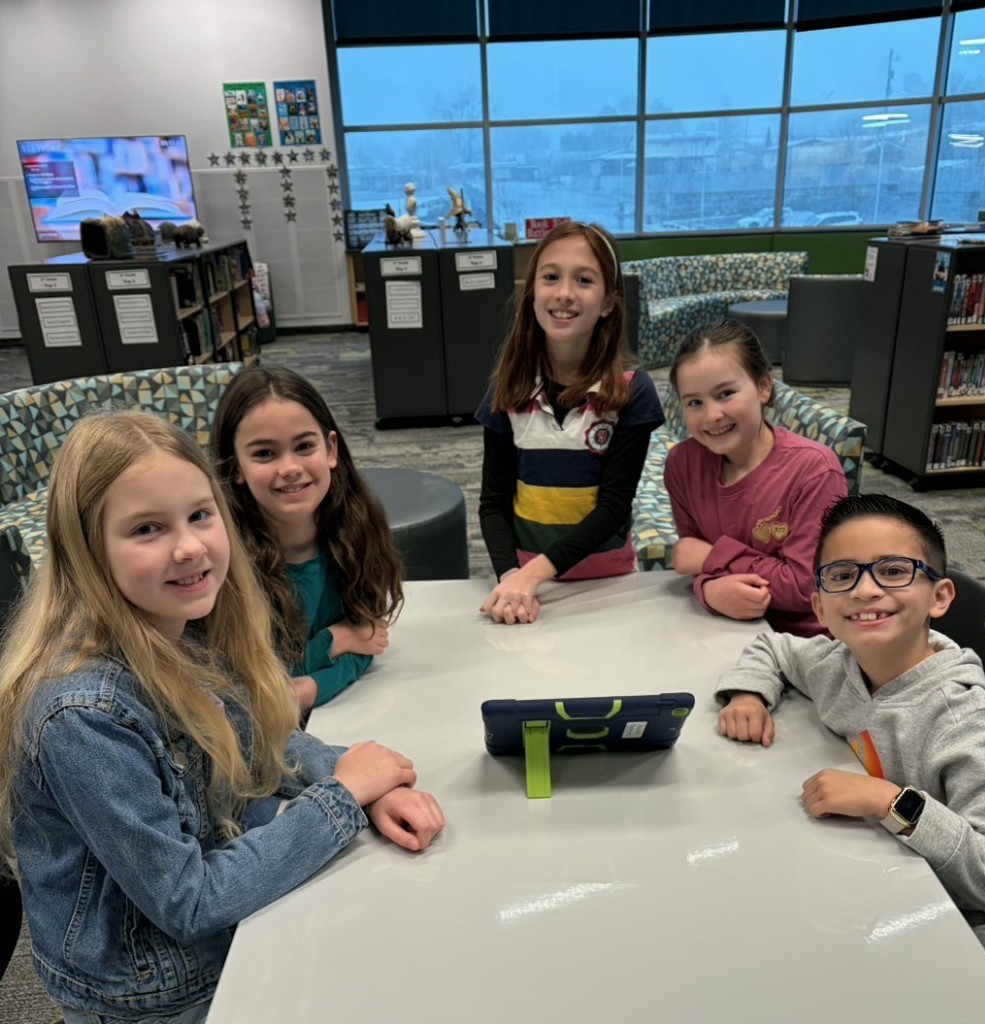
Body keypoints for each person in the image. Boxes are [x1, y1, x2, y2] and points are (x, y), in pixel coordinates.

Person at [0, 411, 444, 1024]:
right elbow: (188, 899)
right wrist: (341, 798)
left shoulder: (189, 625)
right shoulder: (82, 714)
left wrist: (350, 776)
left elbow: (260, 737)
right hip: (156, 996)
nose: (188, 547)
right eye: (148, 528)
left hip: (235, 933)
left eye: (199, 515)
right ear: (87, 549)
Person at [716, 492, 985, 967]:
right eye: (842, 576)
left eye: (894, 571)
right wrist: (748, 694)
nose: (864, 590)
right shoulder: (837, 663)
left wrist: (889, 802)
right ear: (819, 608)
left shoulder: (967, 722)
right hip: (867, 885)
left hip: (961, 939)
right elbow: (773, 647)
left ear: (939, 597)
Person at [476, 220, 664, 625]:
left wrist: (532, 573)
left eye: (583, 280)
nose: (563, 293)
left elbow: (614, 508)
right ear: (531, 293)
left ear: (609, 303)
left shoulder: (633, 391)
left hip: (608, 584)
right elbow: (493, 503)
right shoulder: (507, 389)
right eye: (550, 277)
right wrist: (514, 578)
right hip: (530, 589)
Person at [211, 366, 403, 713]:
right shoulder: (224, 562)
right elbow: (250, 688)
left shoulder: (355, 530)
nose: (290, 467)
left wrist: (309, 689)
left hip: (344, 716)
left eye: (303, 446)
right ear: (234, 466)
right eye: (265, 454)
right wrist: (334, 641)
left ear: (330, 449)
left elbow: (369, 641)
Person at [664, 319, 847, 636]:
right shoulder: (683, 464)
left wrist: (711, 557)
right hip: (721, 628)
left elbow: (806, 588)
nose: (712, 416)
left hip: (804, 644)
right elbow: (695, 562)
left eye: (725, 394)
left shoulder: (815, 471)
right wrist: (708, 590)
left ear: (764, 387)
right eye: (695, 402)